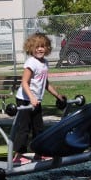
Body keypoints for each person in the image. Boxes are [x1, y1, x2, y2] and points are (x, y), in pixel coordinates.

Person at [12, 32, 65, 165]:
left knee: (39, 128)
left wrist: (57, 95)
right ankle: (17, 156)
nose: (40, 49)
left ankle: (39, 153)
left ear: (47, 48)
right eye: (37, 47)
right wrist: (31, 98)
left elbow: (45, 83)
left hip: (35, 101)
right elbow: (24, 82)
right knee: (24, 128)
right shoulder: (31, 62)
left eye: (43, 46)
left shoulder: (45, 63)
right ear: (31, 48)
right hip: (25, 100)